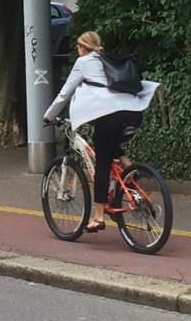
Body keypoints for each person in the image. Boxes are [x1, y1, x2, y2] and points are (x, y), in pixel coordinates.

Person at [42, 31, 159, 233]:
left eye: (78, 47)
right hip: (133, 112)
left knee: (102, 161)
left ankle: (97, 217)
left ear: (82, 48)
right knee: (110, 144)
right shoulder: (108, 59)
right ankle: (130, 171)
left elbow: (65, 93)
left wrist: (49, 116)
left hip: (110, 115)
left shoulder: (84, 62)